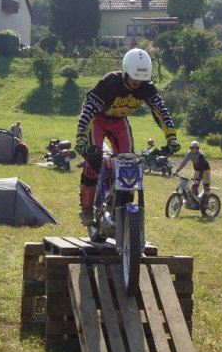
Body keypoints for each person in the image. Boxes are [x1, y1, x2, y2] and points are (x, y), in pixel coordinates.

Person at [75, 48, 180, 225]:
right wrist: (81, 137)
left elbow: (160, 110)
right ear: (125, 73)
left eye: (141, 79)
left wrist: (171, 137)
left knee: (130, 162)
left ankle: (123, 205)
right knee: (93, 158)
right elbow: (89, 110)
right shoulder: (110, 82)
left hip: (119, 122)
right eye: (133, 78)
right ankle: (87, 209)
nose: (137, 83)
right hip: (98, 120)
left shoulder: (147, 87)